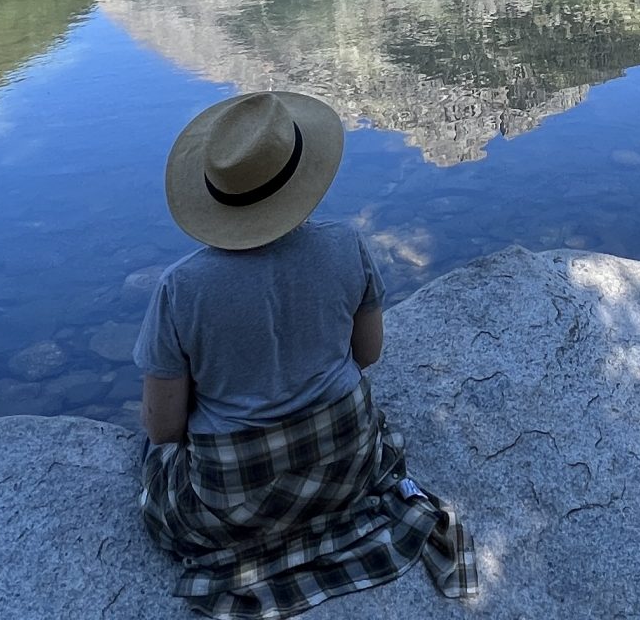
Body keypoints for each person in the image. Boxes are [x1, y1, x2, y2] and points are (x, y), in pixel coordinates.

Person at [133, 90, 476, 618]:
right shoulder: (347, 245)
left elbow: (164, 431)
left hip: (232, 504)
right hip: (347, 465)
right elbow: (368, 354)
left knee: (151, 463)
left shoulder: (181, 289)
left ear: (215, 194)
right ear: (298, 178)